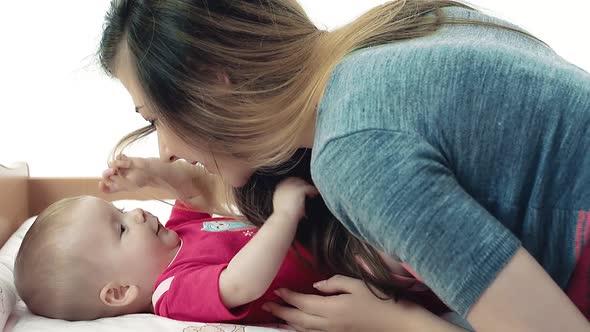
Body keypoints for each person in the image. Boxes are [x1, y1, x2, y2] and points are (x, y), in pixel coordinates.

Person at [98, 0, 590, 331]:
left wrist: (397, 323)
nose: (162, 148)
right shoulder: (404, 25)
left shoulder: (354, 150)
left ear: (213, 82)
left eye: (155, 117)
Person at [14, 157, 325, 323]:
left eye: (121, 209)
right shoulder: (172, 292)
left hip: (323, 239)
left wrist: (150, 172)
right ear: (120, 291)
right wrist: (283, 215)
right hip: (332, 272)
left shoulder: (175, 235)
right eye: (121, 228)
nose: (135, 213)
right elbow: (241, 284)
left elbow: (192, 190)